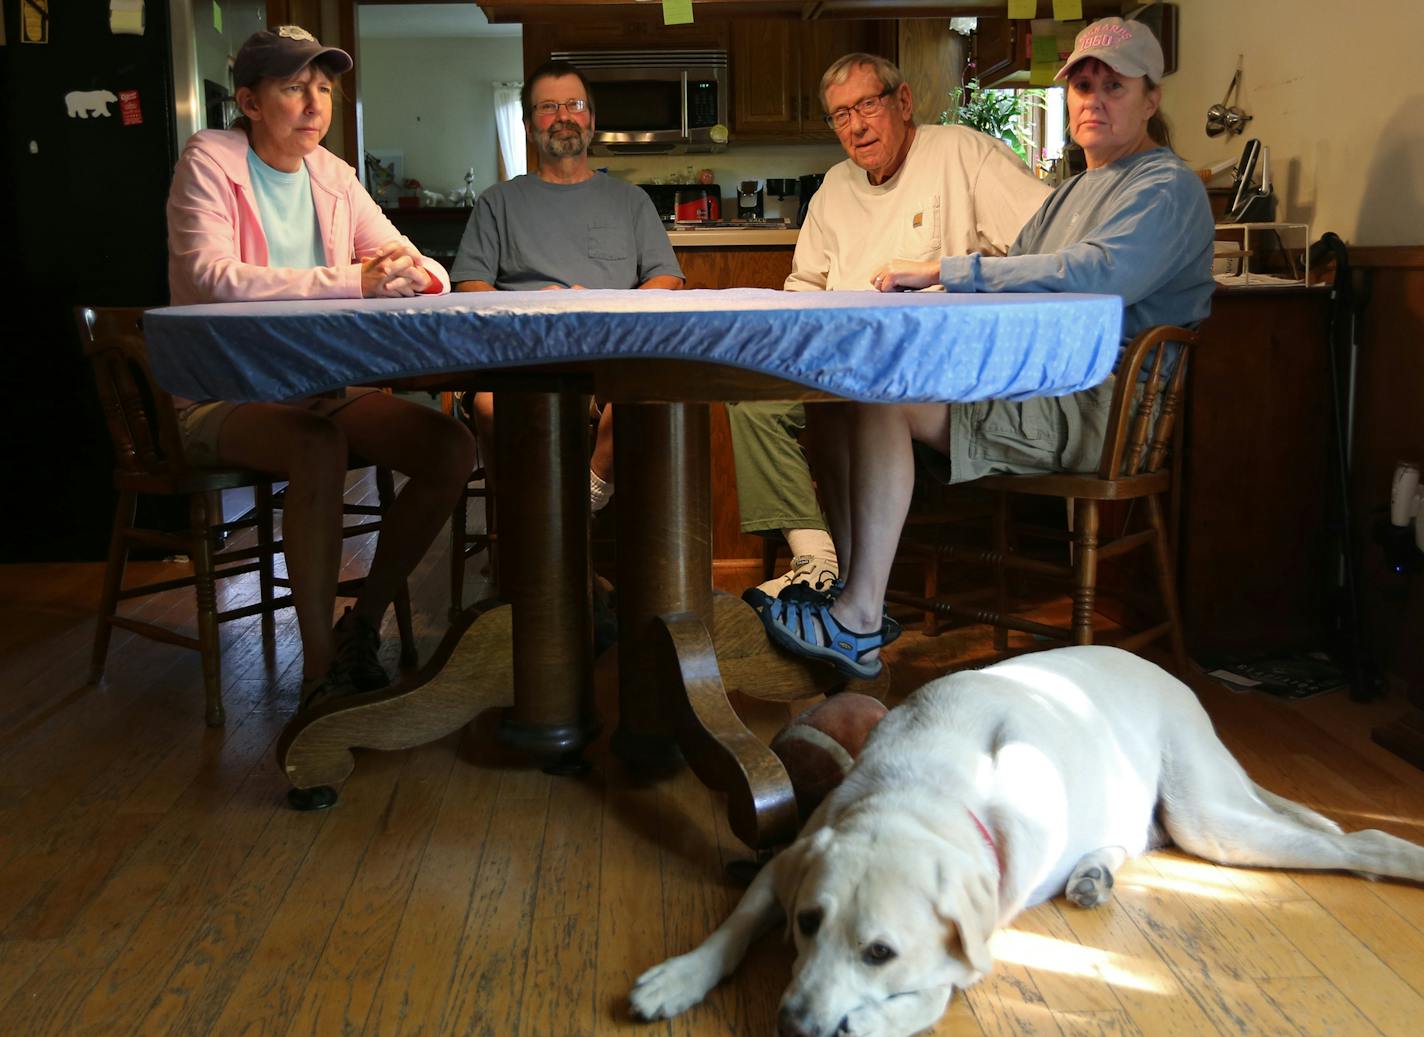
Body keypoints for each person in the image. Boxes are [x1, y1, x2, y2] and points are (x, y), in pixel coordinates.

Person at [755, 18, 1215, 680]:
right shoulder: (1078, 190)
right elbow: (1028, 272)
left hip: (1095, 409)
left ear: (1152, 98)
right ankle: (855, 598)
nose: (1094, 99)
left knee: (885, 400)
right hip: (1039, 383)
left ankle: (856, 617)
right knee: (839, 397)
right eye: (1082, 85)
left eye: (1113, 86)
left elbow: (1095, 274)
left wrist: (945, 268)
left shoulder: (1165, 187)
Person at [166, 25, 477, 708]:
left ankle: (358, 625)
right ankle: (318, 675)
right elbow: (213, 276)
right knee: (316, 445)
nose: (314, 104)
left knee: (449, 446)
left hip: (319, 387)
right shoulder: (210, 159)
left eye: (324, 89)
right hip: (222, 395)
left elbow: (422, 264)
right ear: (249, 101)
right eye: (293, 87)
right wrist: (355, 281)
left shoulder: (332, 174)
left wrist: (413, 275)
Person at [730, 52, 1049, 602]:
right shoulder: (833, 187)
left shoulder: (961, 153)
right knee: (752, 403)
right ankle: (818, 558)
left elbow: (1043, 247)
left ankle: (859, 595)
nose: (855, 126)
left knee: (853, 402)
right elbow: (804, 284)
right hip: (840, 361)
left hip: (936, 368)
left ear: (902, 102)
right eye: (840, 115)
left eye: (867, 105)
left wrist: (954, 282)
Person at [450, 59, 684, 513]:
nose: (563, 116)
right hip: (524, 355)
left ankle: (581, 505)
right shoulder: (497, 202)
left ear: (591, 120)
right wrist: (532, 308)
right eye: (547, 107)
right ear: (527, 123)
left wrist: (607, 308)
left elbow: (666, 278)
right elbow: (470, 285)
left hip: (612, 354)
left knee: (650, 394)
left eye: (574, 105)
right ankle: (525, 533)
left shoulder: (631, 201)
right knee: (492, 407)